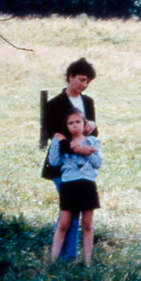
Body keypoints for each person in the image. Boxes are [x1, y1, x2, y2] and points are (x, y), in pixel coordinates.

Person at [41, 58, 98, 261]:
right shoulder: (54, 104)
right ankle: (66, 258)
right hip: (60, 164)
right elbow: (54, 135)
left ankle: (69, 257)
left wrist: (91, 126)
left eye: (87, 82)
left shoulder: (88, 102)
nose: (83, 85)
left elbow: (93, 134)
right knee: (70, 212)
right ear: (70, 77)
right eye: (81, 80)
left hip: (84, 167)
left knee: (78, 211)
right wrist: (77, 148)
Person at [49, 109, 101, 266]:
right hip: (69, 184)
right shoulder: (64, 143)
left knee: (86, 224)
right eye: (70, 123)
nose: (74, 126)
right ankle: (53, 261)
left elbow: (98, 163)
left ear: (84, 123)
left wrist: (85, 151)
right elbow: (54, 162)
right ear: (66, 126)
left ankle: (87, 262)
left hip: (87, 184)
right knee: (64, 223)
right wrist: (55, 143)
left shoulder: (92, 141)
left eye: (77, 122)